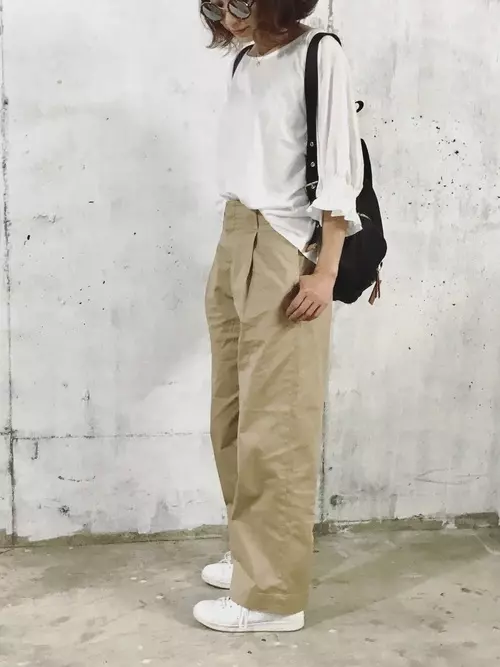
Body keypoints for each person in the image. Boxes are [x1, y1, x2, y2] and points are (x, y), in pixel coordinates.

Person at [194, 0, 363, 633]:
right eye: (214, 3)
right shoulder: (244, 62)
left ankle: (272, 598)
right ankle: (250, 554)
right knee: (232, 413)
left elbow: (340, 169)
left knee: (278, 424)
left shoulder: (319, 54)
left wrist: (325, 271)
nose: (228, 15)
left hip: (287, 248)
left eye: (240, 0)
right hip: (236, 233)